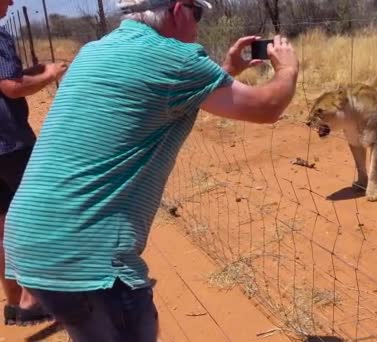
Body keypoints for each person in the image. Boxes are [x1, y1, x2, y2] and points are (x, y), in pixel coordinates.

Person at [3, 0, 298, 340]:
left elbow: (165, 95)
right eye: (196, 13)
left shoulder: (92, 52)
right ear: (176, 10)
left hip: (30, 239)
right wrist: (287, 68)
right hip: (85, 255)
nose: (198, 23)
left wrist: (225, 71)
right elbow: (267, 107)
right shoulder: (177, 60)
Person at [0, 0, 68, 326]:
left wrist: (31, 72)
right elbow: (11, 88)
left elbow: (7, 79)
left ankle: (14, 302)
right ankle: (35, 299)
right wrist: (50, 76)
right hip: (10, 143)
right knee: (43, 215)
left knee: (3, 222)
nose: (12, 2)